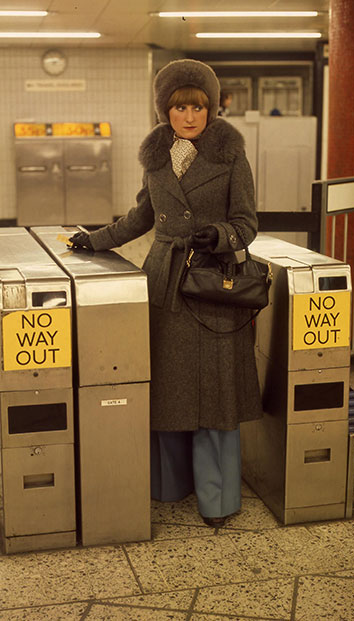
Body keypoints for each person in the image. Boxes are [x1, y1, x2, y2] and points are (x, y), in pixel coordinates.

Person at [68, 59, 262, 528]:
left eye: (197, 107)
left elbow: (248, 224)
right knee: (170, 390)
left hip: (214, 287)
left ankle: (217, 499)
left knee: (214, 394)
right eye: (179, 108)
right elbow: (141, 217)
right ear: (165, 111)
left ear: (211, 109)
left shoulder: (231, 154)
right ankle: (169, 484)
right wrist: (93, 239)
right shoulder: (156, 157)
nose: (189, 117)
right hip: (165, 285)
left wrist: (218, 236)